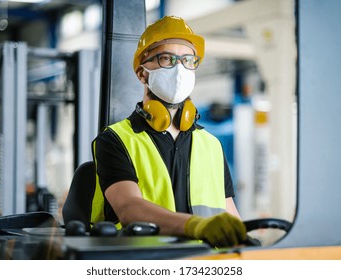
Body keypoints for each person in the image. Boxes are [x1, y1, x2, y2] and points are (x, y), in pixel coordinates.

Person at [91, 15, 247, 247]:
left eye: (188, 60)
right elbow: (129, 208)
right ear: (142, 73)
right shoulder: (115, 139)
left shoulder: (211, 144)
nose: (179, 69)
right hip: (143, 264)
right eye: (167, 59)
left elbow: (229, 213)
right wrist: (196, 226)